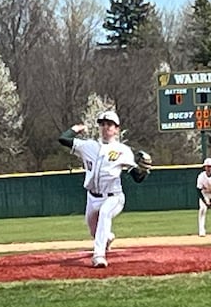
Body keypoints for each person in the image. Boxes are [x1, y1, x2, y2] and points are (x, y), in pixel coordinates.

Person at [58, 110, 151, 268]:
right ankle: (106, 238)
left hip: (113, 197)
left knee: (105, 213)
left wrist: (145, 170)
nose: (105, 127)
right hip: (92, 198)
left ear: (116, 129)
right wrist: (75, 129)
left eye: (109, 124)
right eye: (102, 124)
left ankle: (98, 256)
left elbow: (137, 178)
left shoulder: (123, 150)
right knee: (94, 231)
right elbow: (63, 139)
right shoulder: (88, 146)